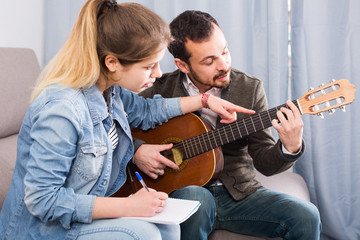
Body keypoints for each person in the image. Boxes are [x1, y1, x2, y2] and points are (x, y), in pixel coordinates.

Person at [0, 2, 254, 240]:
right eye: (149, 66)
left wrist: (205, 101)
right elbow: (43, 200)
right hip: (45, 230)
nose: (158, 74)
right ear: (112, 62)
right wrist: (128, 205)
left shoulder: (111, 92)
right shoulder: (62, 112)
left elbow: (147, 111)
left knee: (169, 228)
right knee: (145, 234)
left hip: (79, 218)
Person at [135, 10, 322, 240]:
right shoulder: (161, 91)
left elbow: (264, 162)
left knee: (307, 216)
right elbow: (117, 126)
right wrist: (137, 150)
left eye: (225, 51)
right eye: (209, 61)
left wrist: (289, 147)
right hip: (185, 194)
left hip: (239, 194)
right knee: (197, 197)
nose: (224, 65)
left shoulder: (250, 88)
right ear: (183, 65)